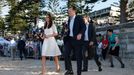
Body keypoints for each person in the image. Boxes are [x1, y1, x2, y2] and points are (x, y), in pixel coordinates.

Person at [63, 6, 86, 75]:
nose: (68, 12)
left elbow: (84, 27)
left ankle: (79, 73)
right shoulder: (69, 19)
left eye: (70, 11)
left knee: (78, 57)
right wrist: (66, 32)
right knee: (66, 54)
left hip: (77, 40)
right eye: (68, 11)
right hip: (69, 39)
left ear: (74, 11)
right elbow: (70, 29)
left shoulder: (79, 17)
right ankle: (70, 70)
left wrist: (80, 33)